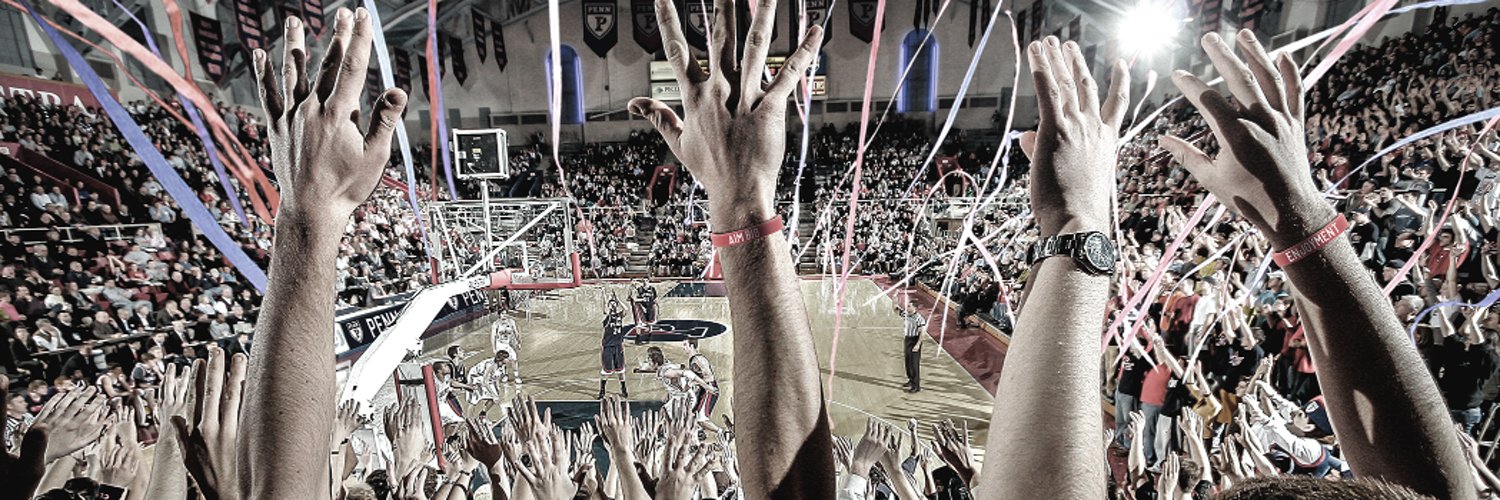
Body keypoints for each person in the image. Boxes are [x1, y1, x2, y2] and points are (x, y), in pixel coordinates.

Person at [598, 295, 629, 400]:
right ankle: (602, 391)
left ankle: (624, 389)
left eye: (614, 303)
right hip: (608, 347)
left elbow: (626, 309)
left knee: (621, 370)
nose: (612, 305)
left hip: (618, 346)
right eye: (610, 304)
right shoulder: (606, 317)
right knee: (606, 371)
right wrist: (604, 295)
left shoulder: (619, 315)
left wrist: (618, 299)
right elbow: (605, 310)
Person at [894, 298, 928, 393]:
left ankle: (916, 386)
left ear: (915, 308)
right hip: (907, 339)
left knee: (914, 364)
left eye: (909, 306)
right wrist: (895, 299)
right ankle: (911, 379)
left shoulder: (919, 318)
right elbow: (896, 309)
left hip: (915, 340)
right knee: (908, 362)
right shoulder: (906, 314)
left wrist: (918, 344)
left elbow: (922, 333)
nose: (907, 307)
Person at [630, 279, 660, 344]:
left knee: (650, 321)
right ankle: (638, 337)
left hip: (650, 306)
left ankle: (649, 336)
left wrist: (656, 306)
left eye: (646, 280)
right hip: (642, 306)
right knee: (639, 322)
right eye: (643, 281)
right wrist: (642, 300)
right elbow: (635, 299)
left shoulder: (652, 289)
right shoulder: (639, 289)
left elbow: (655, 298)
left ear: (648, 281)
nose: (645, 282)